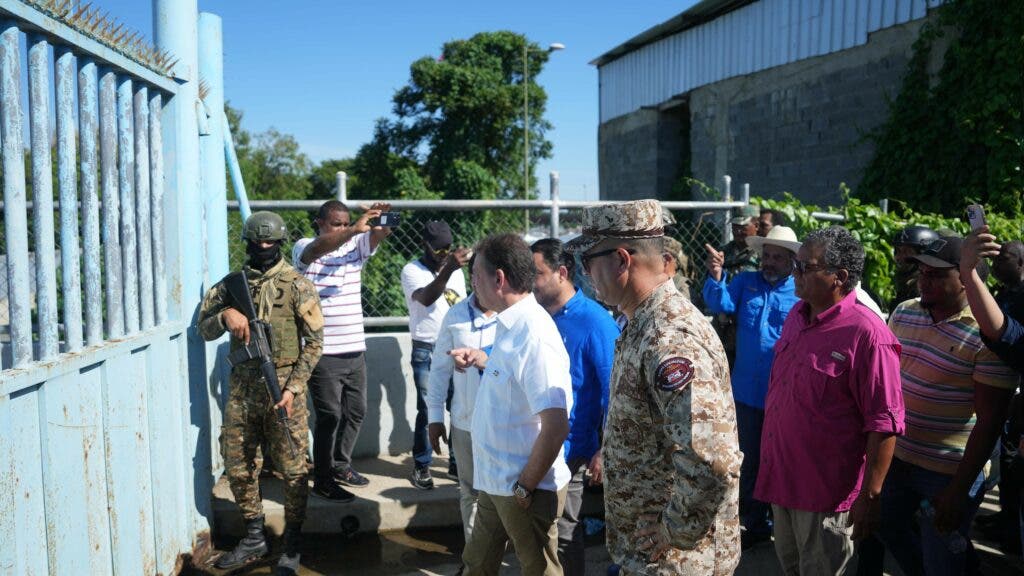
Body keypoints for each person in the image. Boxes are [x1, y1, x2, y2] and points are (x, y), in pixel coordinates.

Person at [566, 199, 741, 575]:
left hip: (678, 560)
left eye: (588, 262)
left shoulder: (669, 336)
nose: (585, 274)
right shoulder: (641, 323)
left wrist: (674, 531)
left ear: (622, 261)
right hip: (651, 556)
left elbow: (712, 460)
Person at [755, 226, 904, 576]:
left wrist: (870, 497)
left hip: (824, 496)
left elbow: (885, 423)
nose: (796, 273)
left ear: (839, 277)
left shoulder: (868, 335)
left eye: (805, 266)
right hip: (783, 481)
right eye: (797, 263)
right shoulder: (797, 315)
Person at [880, 235, 1019, 575]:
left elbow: (989, 422)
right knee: (886, 526)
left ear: (968, 280)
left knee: (943, 556)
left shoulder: (985, 333)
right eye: (922, 272)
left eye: (937, 275)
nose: (923, 281)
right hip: (898, 458)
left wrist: (958, 490)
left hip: (948, 472)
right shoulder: (904, 313)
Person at [197, 212, 324, 573]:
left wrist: (294, 387)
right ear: (249, 243)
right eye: (258, 243)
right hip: (242, 390)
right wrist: (225, 318)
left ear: (280, 243)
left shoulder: (298, 285)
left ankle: (293, 541)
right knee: (238, 464)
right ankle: (254, 536)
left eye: (271, 243)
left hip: (283, 388)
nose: (264, 248)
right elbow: (202, 329)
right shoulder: (229, 286)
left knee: (294, 468)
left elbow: (315, 343)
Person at [449, 233, 573, 576]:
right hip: (494, 482)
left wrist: (524, 487)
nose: (471, 283)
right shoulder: (508, 325)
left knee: (539, 571)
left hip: (523, 489)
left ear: (499, 279)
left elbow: (556, 425)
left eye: (475, 275)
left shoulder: (534, 333)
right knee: (476, 565)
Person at [701, 225, 801, 549]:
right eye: (766, 255)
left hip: (783, 395)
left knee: (778, 458)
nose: (769, 262)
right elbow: (719, 303)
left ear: (791, 261)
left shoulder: (800, 292)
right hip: (744, 392)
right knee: (748, 458)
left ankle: (777, 520)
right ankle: (753, 521)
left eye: (777, 257)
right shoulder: (746, 282)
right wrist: (716, 275)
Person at [531, 238, 620, 576]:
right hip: (536, 445)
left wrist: (605, 448)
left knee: (564, 534)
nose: (529, 282)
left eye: (536, 273)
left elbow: (615, 389)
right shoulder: (537, 317)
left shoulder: (595, 323)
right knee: (541, 532)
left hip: (572, 451)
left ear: (562, 273)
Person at [292, 200, 391, 501]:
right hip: (322, 350)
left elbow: (380, 234)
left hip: (354, 347)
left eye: (345, 222)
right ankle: (323, 479)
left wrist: (382, 216)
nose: (342, 227)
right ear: (320, 222)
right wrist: (351, 231)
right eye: (336, 223)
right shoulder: (305, 247)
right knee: (329, 417)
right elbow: (316, 250)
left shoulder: (356, 245)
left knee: (356, 411)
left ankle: (340, 465)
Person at [426, 255, 499, 545]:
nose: (479, 283)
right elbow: (439, 371)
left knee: (501, 494)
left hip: (503, 426)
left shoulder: (516, 316)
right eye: (475, 276)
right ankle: (476, 559)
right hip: (464, 425)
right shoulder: (455, 316)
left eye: (487, 276)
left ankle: (501, 557)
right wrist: (434, 417)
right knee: (470, 492)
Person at [962, 227, 1024, 555]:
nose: (999, 263)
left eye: (1006, 258)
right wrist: (970, 275)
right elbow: (1008, 337)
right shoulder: (1005, 296)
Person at [401, 220, 469, 490]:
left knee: (460, 406)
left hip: (455, 347)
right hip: (427, 348)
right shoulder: (412, 270)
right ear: (424, 246)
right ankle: (421, 464)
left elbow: (461, 305)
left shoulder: (457, 272)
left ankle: (455, 462)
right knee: (429, 408)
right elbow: (426, 297)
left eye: (448, 249)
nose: (444, 255)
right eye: (439, 250)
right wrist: (447, 268)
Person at [707, 204, 761, 366]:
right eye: (734, 226)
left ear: (756, 226)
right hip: (723, 323)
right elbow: (710, 284)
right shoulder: (723, 252)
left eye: (743, 226)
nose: (737, 231)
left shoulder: (762, 254)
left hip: (748, 323)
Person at [890, 225, 939, 311]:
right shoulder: (904, 287)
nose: (899, 257)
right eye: (898, 251)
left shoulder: (927, 292)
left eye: (907, 251)